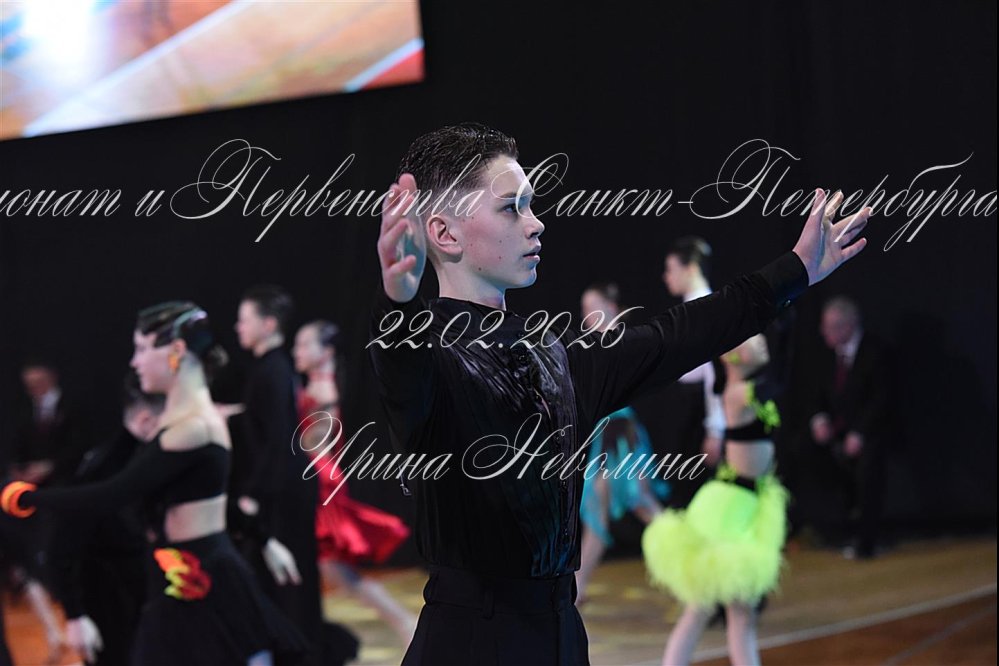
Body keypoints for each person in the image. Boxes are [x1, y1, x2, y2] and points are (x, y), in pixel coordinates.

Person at [369, 122, 869, 665]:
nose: (536, 223)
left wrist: (796, 270)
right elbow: (405, 380)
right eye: (511, 208)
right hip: (469, 645)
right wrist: (399, 303)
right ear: (445, 234)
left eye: (531, 204)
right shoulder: (432, 356)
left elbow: (681, 334)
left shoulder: (560, 355)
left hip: (561, 636)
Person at [2, 302, 308, 665]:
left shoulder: (191, 428)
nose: (135, 361)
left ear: (176, 351)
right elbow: (201, 499)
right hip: (182, 575)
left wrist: (30, 498)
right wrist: (264, 538)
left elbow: (113, 493)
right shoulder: (180, 424)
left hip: (201, 580)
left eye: (143, 349)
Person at [642, 335, 786, 666]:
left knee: (736, 613)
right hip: (730, 510)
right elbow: (775, 385)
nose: (762, 343)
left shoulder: (745, 390)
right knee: (705, 607)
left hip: (747, 504)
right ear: (731, 356)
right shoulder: (738, 394)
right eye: (752, 341)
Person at [235, 287, 358, 665]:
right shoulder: (281, 373)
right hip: (295, 479)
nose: (238, 327)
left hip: (300, 481)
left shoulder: (295, 378)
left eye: (244, 319)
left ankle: (306, 649)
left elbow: (289, 437)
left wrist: (256, 492)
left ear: (268, 324)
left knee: (309, 573)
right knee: (307, 572)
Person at [293, 320, 416, 646]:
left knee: (335, 568)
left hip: (319, 478)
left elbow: (308, 443)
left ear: (326, 352)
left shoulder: (320, 392)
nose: (296, 352)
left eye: (304, 345)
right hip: (321, 475)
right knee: (331, 569)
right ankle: (403, 623)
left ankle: (405, 622)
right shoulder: (318, 387)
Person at [47, 374, 164, 665]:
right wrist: (75, 614)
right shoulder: (106, 469)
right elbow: (63, 546)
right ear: (147, 420)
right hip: (112, 604)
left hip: (139, 600)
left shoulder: (138, 459)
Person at [574, 284, 669, 606]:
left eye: (594, 306)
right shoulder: (595, 344)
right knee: (599, 509)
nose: (588, 315)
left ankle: (690, 567)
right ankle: (577, 588)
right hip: (605, 434)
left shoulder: (619, 340)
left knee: (641, 502)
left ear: (612, 307)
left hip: (620, 433)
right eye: (585, 309)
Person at [802, 296, 890, 559]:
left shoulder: (876, 352)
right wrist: (819, 420)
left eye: (831, 327)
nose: (824, 333)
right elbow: (816, 394)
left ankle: (865, 542)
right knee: (802, 449)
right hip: (837, 430)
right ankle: (826, 528)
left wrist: (859, 433)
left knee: (869, 466)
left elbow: (882, 400)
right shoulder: (825, 354)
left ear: (849, 326)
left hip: (871, 431)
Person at [661, 238, 727, 505]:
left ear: (691, 268)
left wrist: (715, 428)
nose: (666, 277)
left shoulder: (705, 308)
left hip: (699, 409)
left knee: (693, 491)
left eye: (671, 269)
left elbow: (714, 371)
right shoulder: (690, 307)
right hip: (687, 404)